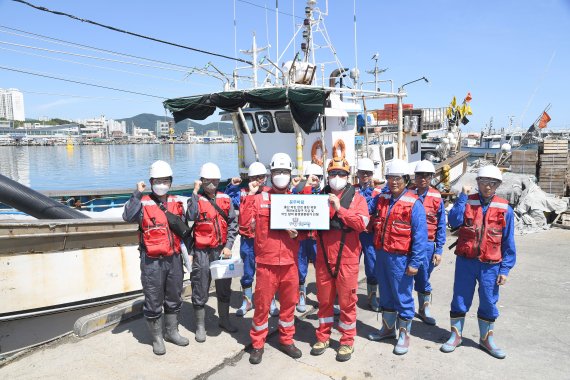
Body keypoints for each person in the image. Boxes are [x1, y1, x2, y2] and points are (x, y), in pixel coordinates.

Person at [441, 165, 516, 359]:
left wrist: (505, 269)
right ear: (478, 183)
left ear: (498, 185)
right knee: (460, 298)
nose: (487, 187)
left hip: (491, 265)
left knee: (489, 301)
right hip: (466, 262)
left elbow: (508, 242)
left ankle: (486, 339)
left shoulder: (504, 208)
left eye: (492, 183)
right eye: (483, 182)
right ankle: (455, 336)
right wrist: (462, 198)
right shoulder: (468, 201)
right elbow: (454, 221)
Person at [241, 153, 303, 365]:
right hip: (266, 264)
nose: (281, 175)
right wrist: (249, 196)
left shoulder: (297, 200)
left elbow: (308, 229)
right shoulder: (258, 199)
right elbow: (243, 225)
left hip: (290, 263)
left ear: (290, 174)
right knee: (262, 306)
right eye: (277, 172)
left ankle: (286, 340)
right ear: (270, 174)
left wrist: (298, 234)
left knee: (289, 306)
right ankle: (258, 344)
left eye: (285, 172)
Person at [122, 160, 189, 355]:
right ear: (151, 181)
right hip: (151, 261)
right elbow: (127, 216)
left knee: (175, 294)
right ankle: (157, 338)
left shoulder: (177, 201)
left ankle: (172, 331)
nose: (162, 184)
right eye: (158, 180)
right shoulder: (142, 202)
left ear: (170, 182)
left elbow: (184, 227)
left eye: (165, 180)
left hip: (174, 258)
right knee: (153, 298)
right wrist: (137, 193)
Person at [310, 157, 369, 362]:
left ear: (348, 176)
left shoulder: (357, 199)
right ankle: (323, 336)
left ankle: (346, 341)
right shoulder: (318, 196)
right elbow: (308, 223)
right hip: (324, 257)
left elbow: (362, 224)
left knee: (347, 302)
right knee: (324, 301)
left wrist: (340, 208)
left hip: (348, 258)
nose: (337, 178)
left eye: (341, 174)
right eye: (333, 174)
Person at [367, 159, 427, 355]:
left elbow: (420, 236)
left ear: (406, 180)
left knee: (402, 296)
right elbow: (366, 209)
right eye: (390, 178)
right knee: (386, 294)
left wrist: (415, 263)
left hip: (401, 259)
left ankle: (404, 334)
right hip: (382, 255)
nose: (393, 182)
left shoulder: (414, 203)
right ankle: (387, 329)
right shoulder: (382, 198)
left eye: (398, 179)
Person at [186, 162, 238, 343]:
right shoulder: (195, 200)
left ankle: (224, 320)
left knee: (224, 287)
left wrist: (229, 246)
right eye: (208, 181)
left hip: (221, 250)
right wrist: (194, 192)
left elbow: (233, 224)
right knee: (200, 286)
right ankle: (200, 326)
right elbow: (190, 216)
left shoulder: (226, 199)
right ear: (201, 181)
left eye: (215, 181)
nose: (212, 184)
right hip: (201, 252)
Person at [224, 162, 279, 317]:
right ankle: (247, 301)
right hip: (248, 240)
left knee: (268, 272)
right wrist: (232, 186)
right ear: (250, 178)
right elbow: (228, 199)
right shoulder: (242, 193)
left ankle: (270, 301)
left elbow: (287, 199)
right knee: (248, 272)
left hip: (267, 240)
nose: (259, 180)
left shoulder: (271, 193)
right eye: (256, 177)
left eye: (262, 177)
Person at [410, 160, 446, 325]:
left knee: (423, 278)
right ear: (414, 177)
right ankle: (405, 309)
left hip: (427, 246)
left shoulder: (437, 197)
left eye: (426, 176)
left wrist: (438, 250)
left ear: (431, 177)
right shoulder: (406, 194)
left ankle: (424, 309)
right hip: (407, 244)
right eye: (419, 175)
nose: (422, 179)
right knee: (405, 277)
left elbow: (441, 225)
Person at [295, 163, 322, 313]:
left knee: (322, 269)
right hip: (302, 237)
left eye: (317, 178)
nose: (314, 180)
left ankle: (324, 298)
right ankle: (301, 296)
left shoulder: (324, 193)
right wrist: (306, 186)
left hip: (317, 238)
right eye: (311, 177)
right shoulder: (299, 192)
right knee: (301, 268)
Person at [354, 157, 381, 311]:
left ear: (372, 174)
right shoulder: (351, 189)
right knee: (351, 266)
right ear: (357, 173)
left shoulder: (378, 191)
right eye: (362, 172)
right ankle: (347, 295)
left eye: (368, 173)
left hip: (370, 235)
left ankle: (372, 298)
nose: (365, 175)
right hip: (354, 235)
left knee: (372, 267)